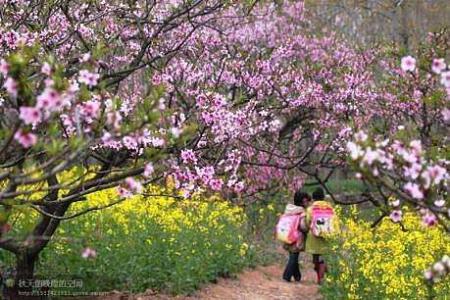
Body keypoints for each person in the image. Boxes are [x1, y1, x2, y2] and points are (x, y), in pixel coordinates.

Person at [305, 187, 336, 284]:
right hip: (326, 237)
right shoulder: (330, 208)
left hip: (314, 237)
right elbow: (334, 222)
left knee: (316, 259)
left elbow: (307, 222)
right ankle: (324, 273)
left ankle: (320, 278)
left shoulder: (310, 209)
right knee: (322, 259)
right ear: (323, 198)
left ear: (313, 198)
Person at [282, 191, 311, 282]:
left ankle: (297, 276)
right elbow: (303, 227)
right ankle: (286, 276)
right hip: (297, 237)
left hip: (287, 235)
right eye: (306, 201)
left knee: (293, 255)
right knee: (294, 256)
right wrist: (308, 228)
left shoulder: (289, 209)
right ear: (302, 202)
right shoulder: (301, 212)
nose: (307, 203)